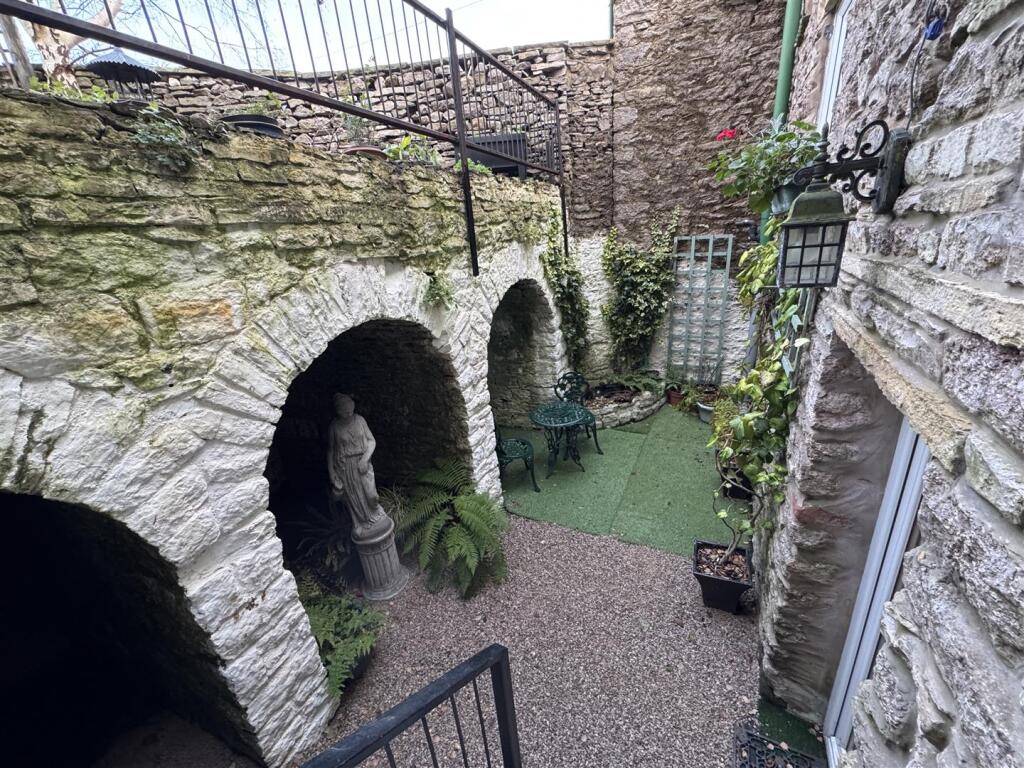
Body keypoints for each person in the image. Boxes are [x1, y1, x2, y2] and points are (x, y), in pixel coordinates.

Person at [326, 393, 389, 540]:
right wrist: (332, 473)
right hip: (345, 467)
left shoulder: (360, 420)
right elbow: (331, 451)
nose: (348, 411)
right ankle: (358, 523)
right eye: (343, 409)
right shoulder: (334, 426)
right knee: (352, 497)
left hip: (363, 463)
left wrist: (365, 459)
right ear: (338, 410)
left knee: (371, 496)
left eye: (349, 406)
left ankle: (376, 514)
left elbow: (372, 441)